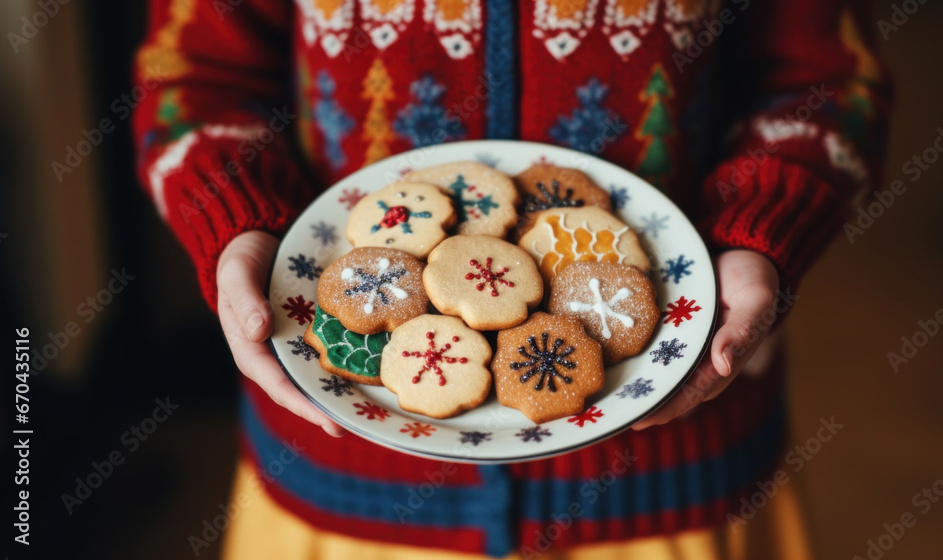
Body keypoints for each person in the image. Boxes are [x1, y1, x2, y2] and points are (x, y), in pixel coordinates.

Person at [132, 1, 890, 558]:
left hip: (675, 470)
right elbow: (188, 78)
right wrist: (232, 220)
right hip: (346, 468)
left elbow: (832, 80)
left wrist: (758, 225)